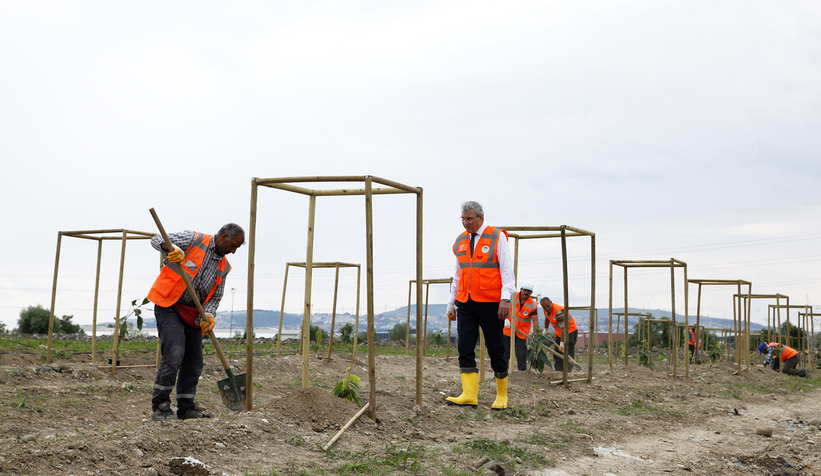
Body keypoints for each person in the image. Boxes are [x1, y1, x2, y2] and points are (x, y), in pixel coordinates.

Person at [147, 224, 245, 421]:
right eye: (233, 245)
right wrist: (173, 249)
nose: (233, 251)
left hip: (194, 311)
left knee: (194, 361)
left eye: (237, 248)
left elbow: (215, 296)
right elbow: (156, 239)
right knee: (174, 354)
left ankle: (186, 408)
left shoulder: (224, 266)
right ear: (224, 236)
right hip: (170, 304)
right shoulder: (194, 239)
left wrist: (208, 314)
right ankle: (161, 406)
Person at [446, 201, 515, 410]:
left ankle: (501, 394)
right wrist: (451, 302)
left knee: (495, 348)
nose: (466, 223)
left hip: (491, 303)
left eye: (469, 219)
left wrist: (506, 299)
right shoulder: (460, 241)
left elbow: (506, 270)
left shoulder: (496, 237)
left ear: (480, 218)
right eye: (463, 219)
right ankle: (469, 394)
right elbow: (458, 274)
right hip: (465, 302)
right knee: (465, 346)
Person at [503, 283, 538, 371]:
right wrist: (505, 320)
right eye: (525, 290)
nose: (526, 292)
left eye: (528, 291)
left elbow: (535, 321)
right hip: (508, 329)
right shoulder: (512, 297)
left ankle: (522, 372)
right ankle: (503, 370)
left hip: (522, 332)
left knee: (521, 353)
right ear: (521, 289)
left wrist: (535, 335)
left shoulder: (533, 304)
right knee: (505, 351)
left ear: (531, 292)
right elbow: (503, 308)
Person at [540, 297, 578, 372]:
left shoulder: (558, 311)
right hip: (560, 333)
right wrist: (546, 329)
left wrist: (562, 342)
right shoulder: (545, 310)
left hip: (570, 331)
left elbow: (563, 328)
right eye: (544, 307)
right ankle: (559, 371)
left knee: (567, 352)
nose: (547, 308)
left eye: (548, 306)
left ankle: (567, 371)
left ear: (551, 302)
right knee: (557, 352)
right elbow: (547, 318)